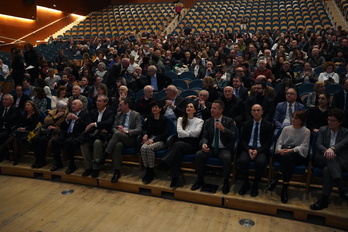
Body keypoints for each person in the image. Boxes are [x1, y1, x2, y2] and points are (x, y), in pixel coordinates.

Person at [191, 100, 236, 194]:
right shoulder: (208, 121)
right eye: (211, 108)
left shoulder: (229, 121)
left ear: (221, 110)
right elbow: (205, 136)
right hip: (211, 147)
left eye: (214, 108)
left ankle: (226, 182)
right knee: (199, 155)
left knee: (226, 158)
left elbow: (233, 136)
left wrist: (223, 129)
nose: (211, 110)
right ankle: (200, 179)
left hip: (224, 148)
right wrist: (204, 143)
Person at [267, 111, 310, 204]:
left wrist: (292, 150)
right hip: (284, 153)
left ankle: (277, 178)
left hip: (297, 154)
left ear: (301, 121)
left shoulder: (306, 131)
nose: (293, 120)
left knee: (288, 158)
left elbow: (304, 146)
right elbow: (279, 142)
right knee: (287, 159)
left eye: (296, 118)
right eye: (293, 117)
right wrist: (279, 150)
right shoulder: (286, 128)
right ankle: (284, 189)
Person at [158, 102, 204, 188]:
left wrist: (185, 133)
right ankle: (175, 178)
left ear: (195, 110)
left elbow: (197, 133)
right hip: (180, 143)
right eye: (187, 107)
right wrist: (190, 133)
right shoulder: (180, 119)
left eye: (191, 107)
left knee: (177, 145)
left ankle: (165, 163)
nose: (188, 108)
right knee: (177, 152)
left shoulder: (199, 121)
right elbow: (179, 133)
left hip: (191, 145)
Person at [310, 108, 348, 210]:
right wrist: (327, 151)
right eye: (329, 120)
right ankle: (340, 187)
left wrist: (332, 149)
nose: (330, 122)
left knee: (327, 170)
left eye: (333, 121)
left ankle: (324, 200)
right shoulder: (323, 129)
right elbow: (319, 144)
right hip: (322, 157)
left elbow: (343, 144)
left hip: (339, 160)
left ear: (340, 122)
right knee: (329, 158)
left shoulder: (346, 132)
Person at [101, 98, 142, 183]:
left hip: (130, 139)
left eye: (121, 105)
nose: (119, 106)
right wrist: (117, 130)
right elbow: (113, 127)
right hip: (119, 137)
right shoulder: (119, 114)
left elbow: (139, 129)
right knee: (117, 145)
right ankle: (117, 172)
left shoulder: (135, 114)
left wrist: (126, 131)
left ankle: (104, 155)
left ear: (127, 105)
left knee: (117, 134)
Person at [238, 104, 273, 197]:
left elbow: (268, 142)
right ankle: (246, 183)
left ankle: (255, 185)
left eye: (258, 110)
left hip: (260, 150)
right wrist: (248, 150)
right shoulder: (246, 124)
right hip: (248, 149)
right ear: (251, 112)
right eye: (254, 110)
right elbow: (242, 140)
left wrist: (258, 151)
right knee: (242, 161)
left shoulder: (268, 125)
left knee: (261, 162)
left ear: (262, 112)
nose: (256, 112)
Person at [80, 95, 115, 178]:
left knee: (97, 142)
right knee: (83, 143)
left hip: (104, 137)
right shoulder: (92, 112)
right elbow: (88, 125)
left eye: (100, 101)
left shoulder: (110, 112)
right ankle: (88, 167)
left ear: (105, 102)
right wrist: (99, 128)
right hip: (92, 135)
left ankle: (96, 167)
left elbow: (109, 123)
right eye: (97, 101)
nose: (97, 103)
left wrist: (94, 124)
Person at [50, 99, 89, 174]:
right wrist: (67, 120)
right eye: (72, 104)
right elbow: (62, 127)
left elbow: (85, 126)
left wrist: (77, 119)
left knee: (69, 142)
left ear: (80, 106)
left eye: (75, 104)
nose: (72, 105)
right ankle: (58, 162)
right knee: (55, 141)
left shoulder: (85, 114)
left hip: (77, 135)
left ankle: (72, 165)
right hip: (67, 134)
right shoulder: (69, 113)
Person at [0, 100, 40, 165]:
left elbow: (34, 126)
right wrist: (19, 127)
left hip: (30, 131)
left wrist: (24, 128)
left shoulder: (36, 114)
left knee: (15, 134)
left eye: (28, 105)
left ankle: (3, 147)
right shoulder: (24, 114)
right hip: (21, 131)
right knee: (15, 137)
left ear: (32, 107)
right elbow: (20, 123)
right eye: (25, 105)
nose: (26, 106)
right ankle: (15, 158)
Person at [30, 100, 68, 168]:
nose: (64, 110)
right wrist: (55, 117)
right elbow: (46, 121)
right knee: (34, 139)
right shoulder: (52, 112)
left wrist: (54, 127)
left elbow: (63, 127)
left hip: (55, 133)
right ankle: (38, 159)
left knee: (43, 140)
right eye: (62, 108)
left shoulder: (66, 114)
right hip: (46, 131)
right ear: (58, 108)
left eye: (65, 108)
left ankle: (42, 160)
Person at [140, 101, 168, 184]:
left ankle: (151, 171)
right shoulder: (150, 118)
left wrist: (154, 140)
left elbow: (165, 134)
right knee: (143, 147)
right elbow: (144, 128)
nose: (154, 109)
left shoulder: (164, 119)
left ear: (160, 109)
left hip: (160, 141)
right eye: (153, 107)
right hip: (150, 138)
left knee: (149, 148)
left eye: (156, 107)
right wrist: (145, 134)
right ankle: (147, 170)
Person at [0, 94, 20, 161]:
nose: (4, 101)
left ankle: (2, 154)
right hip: (1, 127)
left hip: (9, 128)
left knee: (1, 136)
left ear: (11, 101)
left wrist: (1, 118)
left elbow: (11, 119)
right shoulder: (1, 108)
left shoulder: (15, 109)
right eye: (3, 99)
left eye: (6, 99)